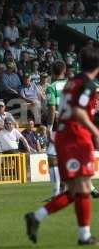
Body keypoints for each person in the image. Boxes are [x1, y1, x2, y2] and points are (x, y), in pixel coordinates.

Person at [25, 47, 99, 246]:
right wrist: (95, 131)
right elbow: (78, 111)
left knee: (77, 190)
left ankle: (37, 217)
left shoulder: (72, 83)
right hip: (76, 137)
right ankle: (84, 237)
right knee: (82, 187)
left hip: (66, 136)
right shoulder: (87, 85)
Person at [45, 61, 67, 198]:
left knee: (52, 157)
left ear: (52, 72)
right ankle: (63, 191)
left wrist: (49, 127)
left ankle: (56, 192)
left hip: (59, 126)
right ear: (64, 70)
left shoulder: (51, 87)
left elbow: (52, 108)